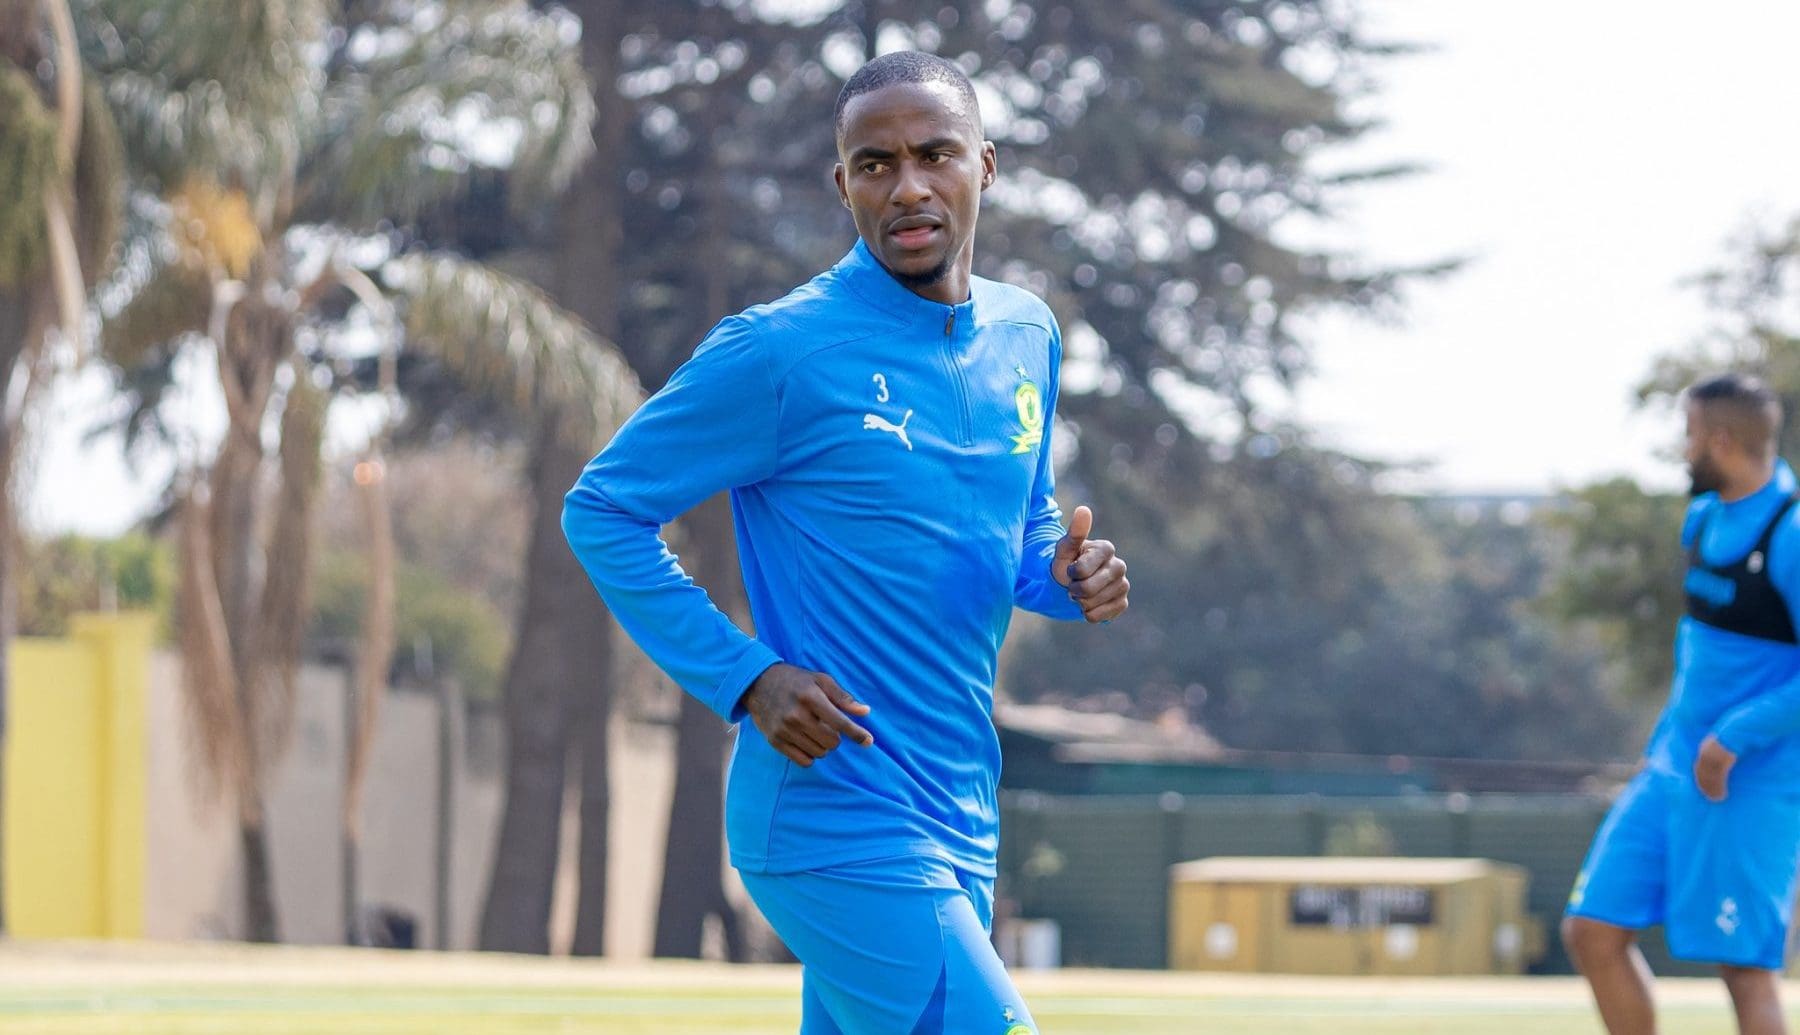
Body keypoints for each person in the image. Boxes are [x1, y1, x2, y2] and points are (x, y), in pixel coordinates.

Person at [563, 51, 1129, 1035]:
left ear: (984, 165)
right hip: (832, 814)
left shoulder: (1027, 334)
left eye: (934, 155)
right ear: (843, 185)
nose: (907, 186)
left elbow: (1020, 529)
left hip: (960, 813)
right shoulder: (780, 351)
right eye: (875, 164)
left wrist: (1066, 573)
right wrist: (746, 677)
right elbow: (603, 510)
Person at [1564, 372, 1800, 1035]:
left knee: (1744, 969)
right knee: (1593, 931)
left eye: (1689, 433)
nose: (1683, 448)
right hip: (1670, 770)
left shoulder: (1790, 533)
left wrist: (1733, 736)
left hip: (1749, 785)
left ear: (1720, 440)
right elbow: (1699, 650)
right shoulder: (1701, 518)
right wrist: (1672, 738)